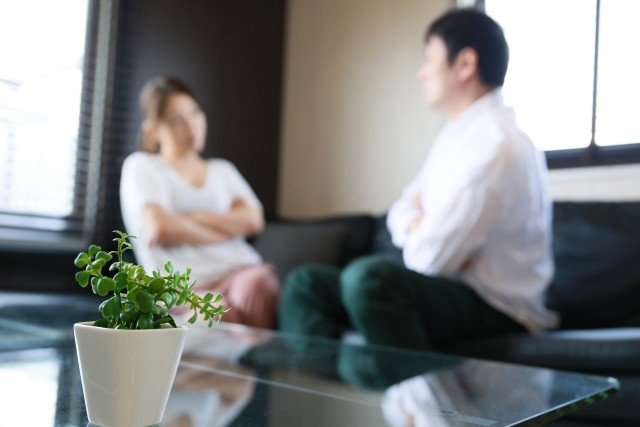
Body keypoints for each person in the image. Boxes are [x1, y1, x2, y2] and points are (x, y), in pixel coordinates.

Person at [278, 8, 559, 350]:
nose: (421, 73)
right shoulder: (455, 137)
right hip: (449, 286)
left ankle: (412, 386)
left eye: (429, 59)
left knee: (369, 280)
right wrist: (420, 226)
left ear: (465, 64)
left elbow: (428, 259)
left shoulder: (496, 147)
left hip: (498, 306)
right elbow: (402, 209)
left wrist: (422, 227)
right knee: (305, 284)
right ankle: (316, 385)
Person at [120, 76, 279, 329]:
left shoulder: (223, 170)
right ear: (153, 130)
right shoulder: (142, 166)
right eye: (177, 120)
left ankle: (249, 349)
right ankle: (249, 350)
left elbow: (253, 220)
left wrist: (190, 219)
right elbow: (162, 228)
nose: (191, 126)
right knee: (212, 312)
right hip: (182, 289)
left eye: (195, 113)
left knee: (259, 283)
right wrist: (227, 228)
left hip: (239, 272)